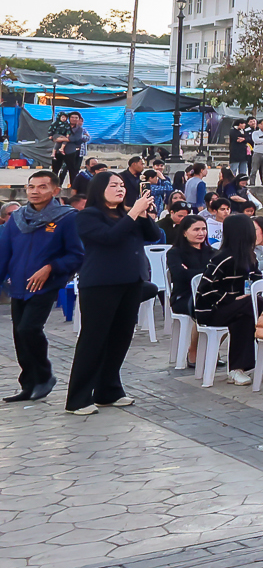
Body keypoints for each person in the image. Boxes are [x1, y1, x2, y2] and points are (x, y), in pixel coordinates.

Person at [65, 171, 163, 415]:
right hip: (101, 284)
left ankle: (108, 391)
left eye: (122, 185)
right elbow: (109, 238)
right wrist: (133, 213)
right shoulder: (88, 215)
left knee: (121, 337)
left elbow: (153, 236)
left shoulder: (126, 214)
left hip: (131, 282)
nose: (120, 189)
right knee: (94, 340)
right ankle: (78, 398)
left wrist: (143, 215)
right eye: (113, 185)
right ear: (99, 189)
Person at [1, 170, 84, 401]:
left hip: (44, 285)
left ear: (55, 191)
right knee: (19, 335)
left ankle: (45, 376)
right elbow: (4, 253)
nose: (35, 191)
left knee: (29, 329)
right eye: (31, 187)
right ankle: (29, 384)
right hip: (18, 285)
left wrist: (51, 267)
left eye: (42, 187)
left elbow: (77, 255)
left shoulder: (67, 218)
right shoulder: (18, 218)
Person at [193, 214, 263, 385]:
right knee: (254, 304)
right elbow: (206, 290)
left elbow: (257, 281)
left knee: (246, 316)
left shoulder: (250, 257)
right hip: (211, 310)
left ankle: (237, 369)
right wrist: (233, 298)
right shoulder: (222, 258)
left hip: (239, 308)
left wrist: (249, 293)